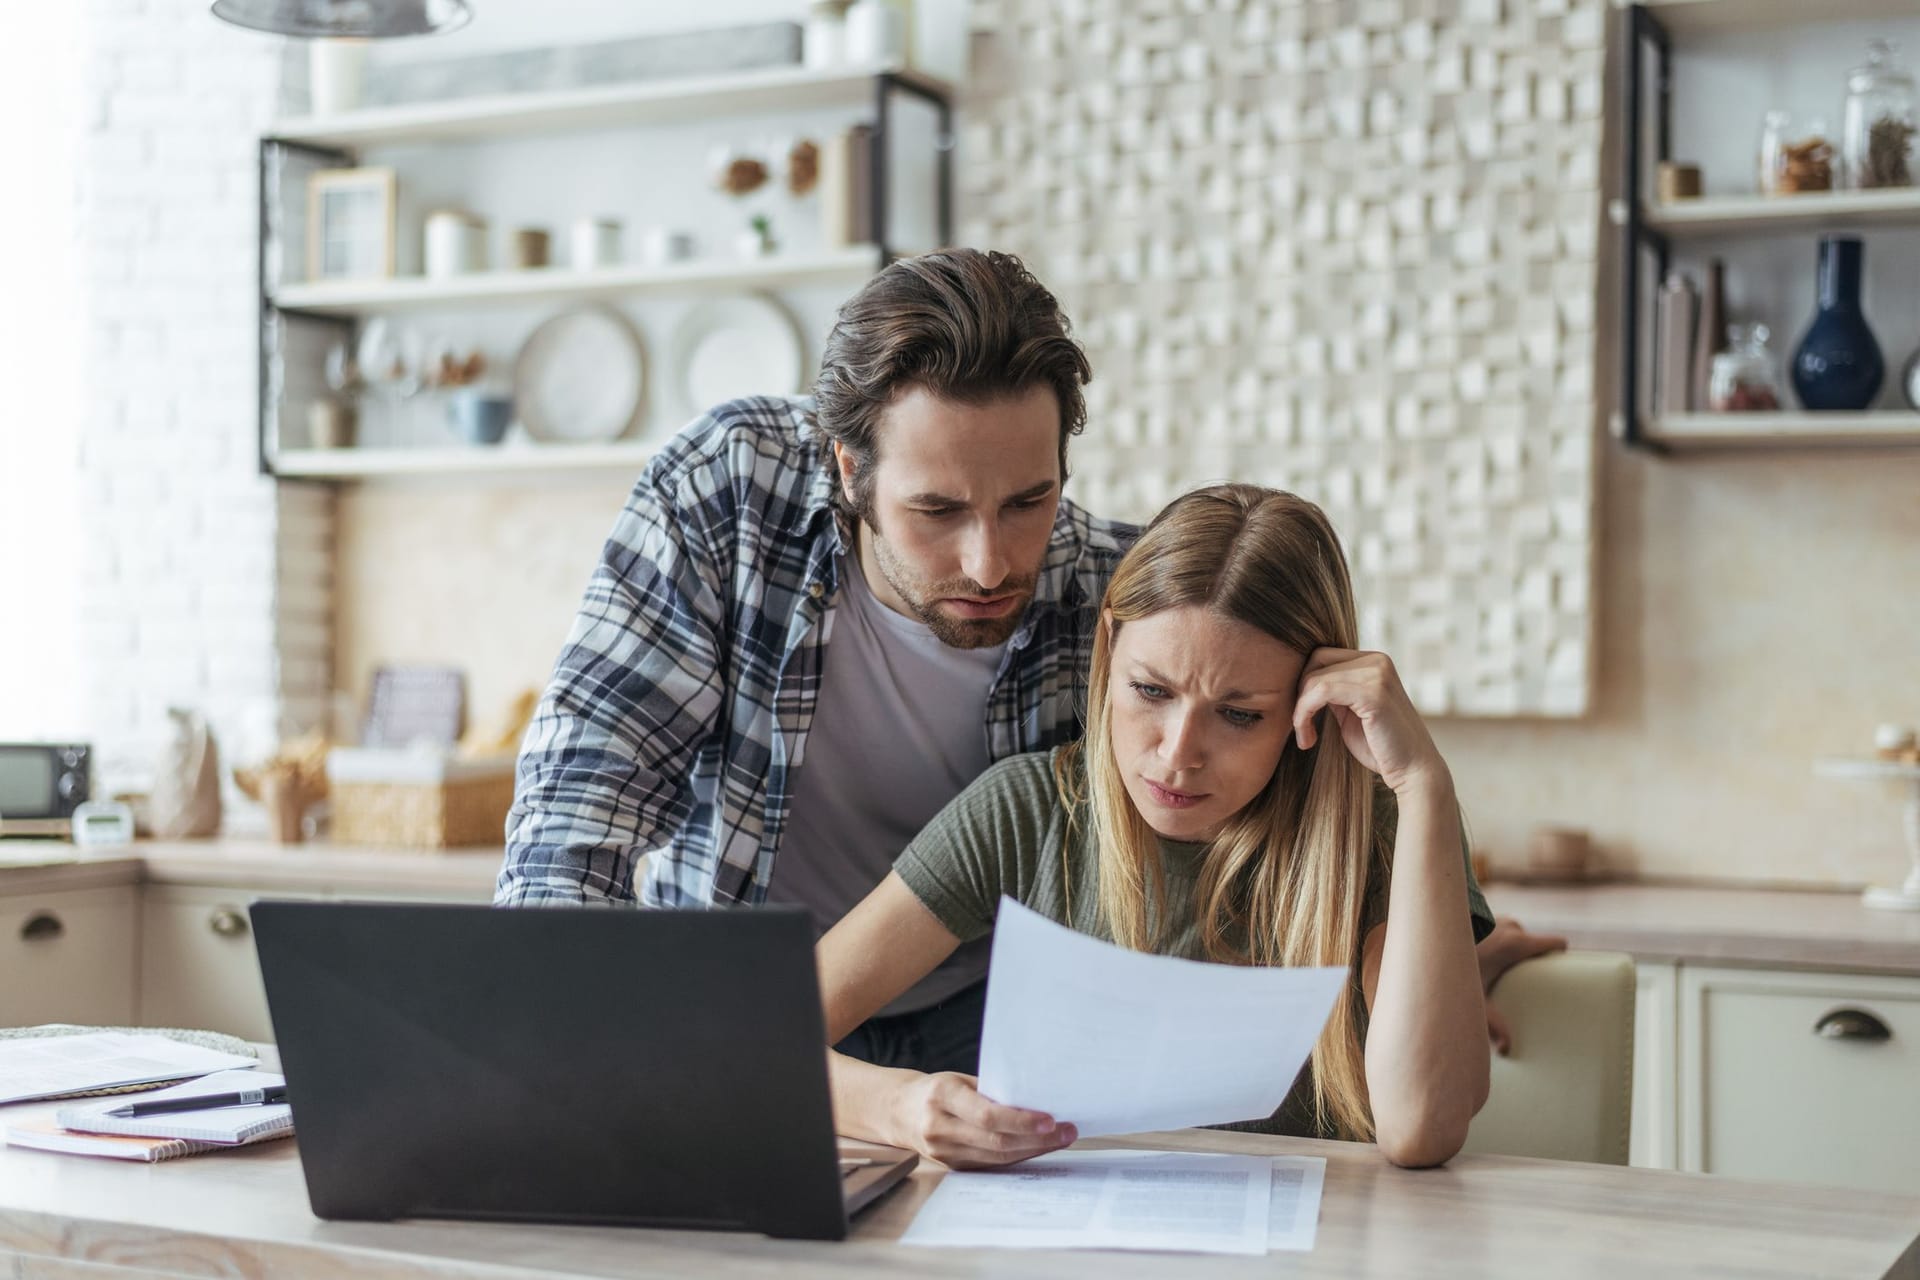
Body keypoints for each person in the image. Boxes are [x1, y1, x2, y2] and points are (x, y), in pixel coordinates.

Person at [495, 248, 1552, 1075]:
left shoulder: (1118, 596)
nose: (992, 559)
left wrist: (1425, 965)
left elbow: (1274, 801)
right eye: (937, 509)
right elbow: (585, 795)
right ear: (849, 466)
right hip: (747, 1000)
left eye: (1028, 500)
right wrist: (545, 1040)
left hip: (993, 1023)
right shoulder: (727, 492)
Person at [817, 484, 1494, 1169]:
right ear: (1109, 647)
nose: (1177, 756)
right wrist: (900, 1107)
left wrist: (1424, 785)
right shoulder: (1026, 812)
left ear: (1308, 706)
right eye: (1151, 691)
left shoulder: (1380, 830)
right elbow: (757, 1037)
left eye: (1239, 714)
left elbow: (1422, 1128)